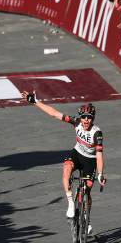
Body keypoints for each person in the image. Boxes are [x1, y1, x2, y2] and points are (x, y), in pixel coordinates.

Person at [21, 91, 106, 227]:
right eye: (83, 117)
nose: (85, 120)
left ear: (93, 118)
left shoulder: (97, 134)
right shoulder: (76, 122)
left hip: (90, 160)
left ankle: (86, 217)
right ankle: (71, 203)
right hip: (77, 154)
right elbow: (54, 114)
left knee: (87, 190)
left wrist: (101, 173)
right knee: (66, 170)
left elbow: (100, 155)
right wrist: (35, 101)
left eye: (89, 118)